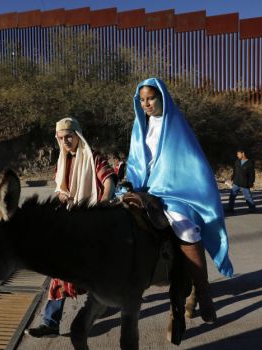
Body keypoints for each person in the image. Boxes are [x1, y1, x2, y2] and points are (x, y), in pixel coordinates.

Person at [125, 78, 233, 325]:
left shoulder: (175, 125)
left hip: (175, 190)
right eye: (141, 100)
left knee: (185, 227)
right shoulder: (140, 125)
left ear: (162, 97)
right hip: (144, 188)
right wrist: (129, 183)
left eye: (150, 98)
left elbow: (187, 162)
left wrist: (163, 184)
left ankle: (204, 292)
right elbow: (134, 160)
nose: (146, 104)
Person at [25, 117, 116, 338]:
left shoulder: (94, 158)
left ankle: (59, 320)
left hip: (93, 222)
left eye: (69, 136)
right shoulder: (62, 162)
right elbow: (60, 190)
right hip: (71, 223)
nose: (66, 141)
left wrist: (100, 207)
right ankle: (52, 322)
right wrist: (61, 196)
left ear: (78, 135)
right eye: (61, 138)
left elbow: (109, 182)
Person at [226, 149, 256, 213]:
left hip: (244, 183)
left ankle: (252, 209)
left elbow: (252, 174)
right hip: (236, 182)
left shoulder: (249, 163)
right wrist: (232, 178)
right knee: (232, 196)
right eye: (237, 154)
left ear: (243, 153)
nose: (237, 155)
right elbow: (235, 170)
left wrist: (251, 183)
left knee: (248, 197)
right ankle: (230, 208)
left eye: (238, 154)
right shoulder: (237, 161)